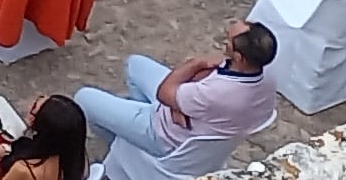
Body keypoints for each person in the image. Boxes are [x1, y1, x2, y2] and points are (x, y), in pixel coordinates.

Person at [76, 23, 278, 169]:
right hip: (192, 114)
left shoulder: (217, 93)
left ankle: (122, 150)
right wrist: (177, 104)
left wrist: (196, 63)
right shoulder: (265, 75)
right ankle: (131, 127)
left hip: (165, 134)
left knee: (83, 98)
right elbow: (194, 85)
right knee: (135, 64)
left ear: (239, 58)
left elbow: (164, 92)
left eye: (229, 43)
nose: (224, 44)